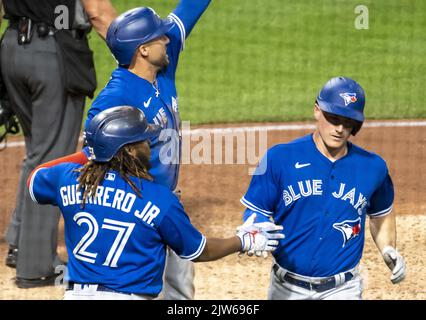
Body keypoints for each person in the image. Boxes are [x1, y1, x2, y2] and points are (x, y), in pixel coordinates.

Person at [26, 106, 284, 300]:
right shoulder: (159, 199)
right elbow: (198, 250)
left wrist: (91, 154)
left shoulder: (68, 180)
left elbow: (35, 177)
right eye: (143, 140)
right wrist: (245, 240)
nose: (150, 145)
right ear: (128, 150)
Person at [83, 1, 212, 299]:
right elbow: (92, 148)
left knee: (180, 291)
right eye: (159, 37)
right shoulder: (117, 96)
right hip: (136, 211)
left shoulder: (162, 69)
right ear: (142, 50)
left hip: (167, 205)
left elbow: (189, 10)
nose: (168, 39)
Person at [239, 77, 407, 300]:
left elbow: (381, 214)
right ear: (317, 110)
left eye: (347, 122)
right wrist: (257, 225)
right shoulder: (279, 158)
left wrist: (388, 247)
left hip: (343, 289)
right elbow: (257, 208)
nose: (339, 128)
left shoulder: (372, 167)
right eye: (333, 118)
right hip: (286, 289)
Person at [1, 0, 117, 288]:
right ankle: (36, 267)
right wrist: (133, 52)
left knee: (38, 149)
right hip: (51, 55)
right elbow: (98, 11)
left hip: (13, 48)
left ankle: (20, 241)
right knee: (50, 158)